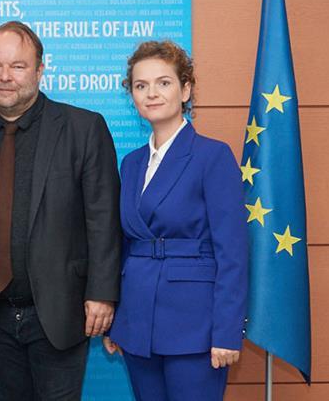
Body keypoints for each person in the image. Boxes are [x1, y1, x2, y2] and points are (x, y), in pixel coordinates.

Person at [0, 21, 122, 400]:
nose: (5, 77)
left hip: (60, 310)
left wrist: (102, 293)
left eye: (18, 66)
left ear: (40, 70)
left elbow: (103, 219)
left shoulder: (83, 128)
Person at [102, 40, 248, 401]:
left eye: (163, 83)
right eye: (141, 85)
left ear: (185, 90)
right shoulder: (131, 163)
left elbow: (232, 253)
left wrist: (227, 332)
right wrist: (117, 320)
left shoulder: (213, 156)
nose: (151, 93)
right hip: (137, 321)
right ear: (132, 96)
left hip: (195, 325)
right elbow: (124, 246)